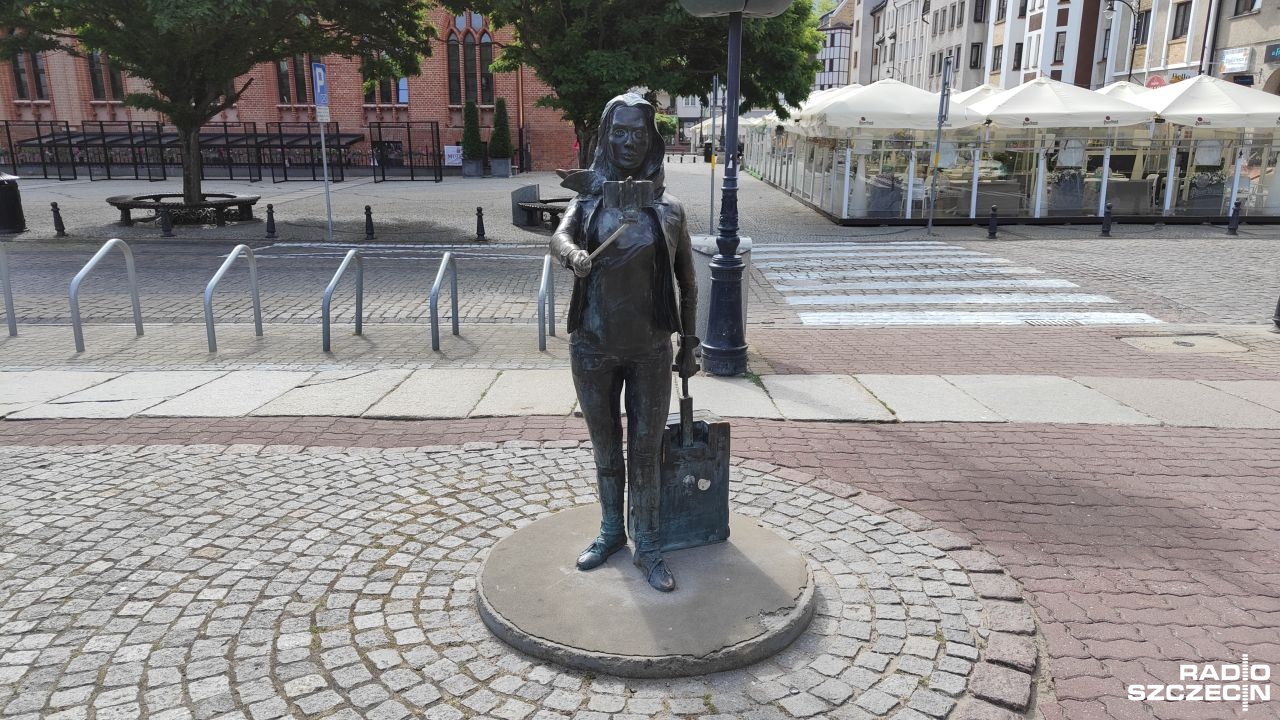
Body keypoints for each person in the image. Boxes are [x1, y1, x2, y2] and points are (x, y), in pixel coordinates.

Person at [549, 93, 699, 592]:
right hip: (592, 347)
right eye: (619, 132)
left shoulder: (668, 210)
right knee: (606, 447)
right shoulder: (587, 201)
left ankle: (649, 543)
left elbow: (688, 282)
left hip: (650, 349)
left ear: (652, 140)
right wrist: (573, 255)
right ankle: (612, 529)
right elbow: (560, 237)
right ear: (605, 137)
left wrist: (690, 343)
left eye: (638, 133)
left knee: (646, 450)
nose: (628, 142)